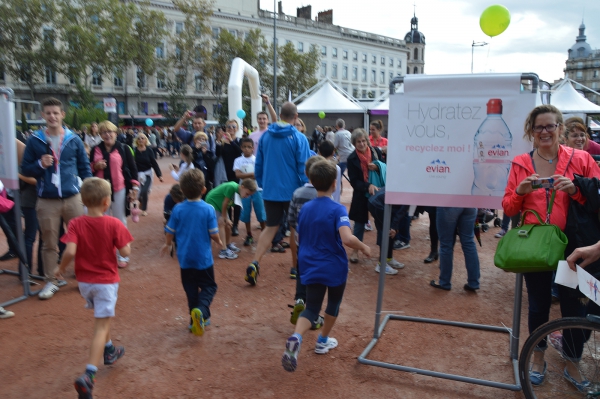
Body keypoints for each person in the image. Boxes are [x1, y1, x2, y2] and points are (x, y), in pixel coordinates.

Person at [502, 104, 600, 389]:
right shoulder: (521, 163)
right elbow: (508, 209)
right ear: (531, 132)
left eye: (550, 126)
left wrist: (576, 190)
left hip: (575, 247)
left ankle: (572, 362)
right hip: (537, 247)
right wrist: (520, 192)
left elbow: (596, 199)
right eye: (538, 127)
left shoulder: (581, 158)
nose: (544, 131)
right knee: (538, 305)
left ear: (560, 128)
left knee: (574, 309)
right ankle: (537, 358)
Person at [281, 160, 370, 372]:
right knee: (333, 304)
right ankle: (322, 341)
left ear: (311, 180)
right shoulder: (338, 208)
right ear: (334, 183)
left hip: (309, 264)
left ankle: (296, 336)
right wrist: (364, 247)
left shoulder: (306, 209)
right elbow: (347, 239)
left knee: (312, 307)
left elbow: (300, 235)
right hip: (333, 266)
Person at [53, 177, 133, 399]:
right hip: (105, 281)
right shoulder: (114, 223)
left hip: (85, 283)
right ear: (107, 202)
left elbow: (69, 252)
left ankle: (109, 351)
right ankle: (89, 376)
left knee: (101, 316)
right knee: (101, 325)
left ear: (84, 201)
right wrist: (123, 245)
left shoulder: (76, 223)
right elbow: (125, 253)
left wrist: (60, 269)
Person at [21, 97, 92, 300]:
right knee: (49, 243)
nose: (52, 116)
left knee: (80, 240)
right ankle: (51, 281)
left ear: (62, 115)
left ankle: (82, 278)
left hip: (73, 197)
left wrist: (89, 192)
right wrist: (40, 165)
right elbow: (25, 169)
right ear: (42, 116)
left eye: (55, 112)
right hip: (46, 199)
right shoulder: (34, 140)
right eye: (48, 113)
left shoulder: (74, 139)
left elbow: (84, 167)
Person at [246, 102, 311, 286]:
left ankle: (255, 262)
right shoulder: (299, 138)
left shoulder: (266, 137)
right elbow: (303, 168)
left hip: (270, 190)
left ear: (280, 115)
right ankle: (294, 268)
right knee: (294, 229)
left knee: (270, 227)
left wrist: (262, 183)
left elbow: (258, 164)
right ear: (295, 116)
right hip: (293, 192)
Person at [160, 169, 223, 336]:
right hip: (203, 259)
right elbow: (213, 233)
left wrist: (167, 244)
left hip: (185, 259)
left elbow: (170, 231)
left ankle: (193, 319)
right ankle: (202, 312)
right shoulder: (208, 209)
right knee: (209, 286)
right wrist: (219, 241)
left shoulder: (178, 209)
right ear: (203, 189)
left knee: (191, 289)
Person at [90, 121, 139, 268]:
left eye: (110, 131)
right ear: (100, 135)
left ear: (116, 133)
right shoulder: (95, 150)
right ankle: (104, 255)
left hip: (119, 189)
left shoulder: (123, 148)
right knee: (101, 223)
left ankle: (122, 255)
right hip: (100, 192)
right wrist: (95, 166)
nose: (107, 134)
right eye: (104, 132)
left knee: (120, 222)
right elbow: (87, 168)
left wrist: (135, 188)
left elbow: (132, 168)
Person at [346, 128, 384, 263]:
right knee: (359, 223)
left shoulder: (376, 152)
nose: (361, 144)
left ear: (367, 141)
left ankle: (383, 252)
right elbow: (354, 181)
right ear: (354, 143)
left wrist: (378, 167)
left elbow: (385, 169)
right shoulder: (352, 158)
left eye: (363, 141)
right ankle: (355, 250)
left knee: (381, 222)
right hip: (361, 193)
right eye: (358, 142)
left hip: (378, 192)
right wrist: (367, 186)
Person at [429, 207, 480, 291]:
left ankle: (444, 282)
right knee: (469, 242)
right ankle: (474, 282)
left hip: (449, 203)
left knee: (446, 244)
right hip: (470, 203)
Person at [205, 179, 256, 260]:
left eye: (249, 195)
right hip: (212, 202)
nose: (247, 196)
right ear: (242, 187)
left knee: (228, 226)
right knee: (221, 223)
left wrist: (226, 218)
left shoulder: (240, 192)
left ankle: (228, 245)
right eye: (247, 194)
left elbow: (228, 204)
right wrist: (224, 217)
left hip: (221, 206)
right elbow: (225, 203)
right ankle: (223, 251)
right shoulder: (232, 187)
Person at [233, 138, 266, 246]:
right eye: (244, 147)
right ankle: (249, 235)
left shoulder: (257, 160)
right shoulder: (238, 160)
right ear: (241, 148)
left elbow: (258, 175)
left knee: (261, 213)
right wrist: (251, 175)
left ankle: (264, 235)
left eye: (249, 147)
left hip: (257, 190)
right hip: (244, 191)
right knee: (246, 213)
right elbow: (237, 175)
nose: (246, 149)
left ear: (253, 148)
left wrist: (245, 174)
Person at [367, 189, 406, 275]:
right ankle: (381, 265)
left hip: (382, 203)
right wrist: (394, 226)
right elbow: (401, 211)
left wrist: (394, 226)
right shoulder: (412, 193)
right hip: (377, 204)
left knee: (390, 231)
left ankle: (388, 258)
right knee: (386, 232)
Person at [216, 120, 243, 236]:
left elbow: (240, 153)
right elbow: (217, 155)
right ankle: (228, 222)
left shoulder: (239, 141)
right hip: (224, 175)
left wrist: (231, 141)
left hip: (236, 175)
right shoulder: (222, 142)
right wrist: (220, 141)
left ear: (237, 129)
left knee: (237, 201)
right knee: (226, 200)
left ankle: (235, 225)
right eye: (229, 126)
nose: (231, 128)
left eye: (233, 126)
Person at [134, 134, 163, 216]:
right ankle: (141, 201)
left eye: (142, 138)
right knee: (139, 193)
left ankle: (144, 209)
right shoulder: (134, 150)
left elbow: (154, 163)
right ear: (136, 141)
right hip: (138, 174)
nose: (140, 140)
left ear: (146, 140)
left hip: (148, 174)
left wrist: (159, 175)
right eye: (139, 138)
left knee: (145, 191)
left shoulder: (149, 150)